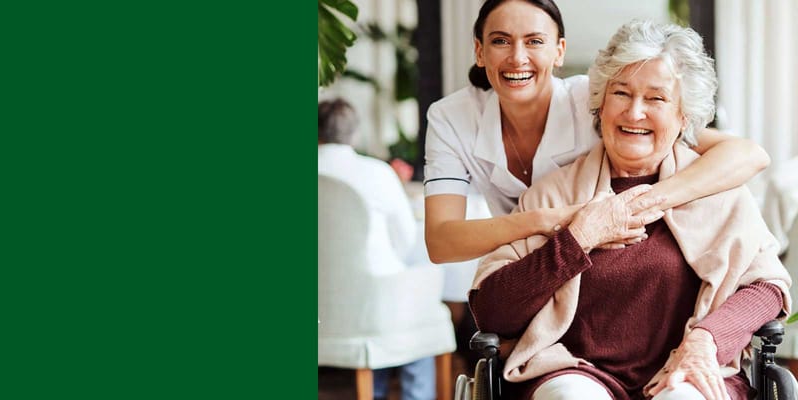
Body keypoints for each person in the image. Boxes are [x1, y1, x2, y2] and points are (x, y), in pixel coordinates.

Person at [468, 20, 792, 400]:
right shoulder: (552, 195)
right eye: (621, 93)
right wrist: (578, 238)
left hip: (688, 369)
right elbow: (492, 312)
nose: (634, 113)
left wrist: (708, 340)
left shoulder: (717, 190)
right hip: (572, 370)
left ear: (684, 116)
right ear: (601, 104)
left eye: (656, 99)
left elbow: (767, 287)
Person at [422, 0, 770, 265]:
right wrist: (552, 219)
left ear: (559, 51)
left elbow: (749, 154)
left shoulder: (595, 99)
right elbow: (440, 243)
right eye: (501, 41)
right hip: (523, 263)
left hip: (602, 258)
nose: (517, 57)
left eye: (535, 41)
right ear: (480, 51)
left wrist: (648, 202)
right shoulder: (451, 118)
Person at [318, 98, 437, 400]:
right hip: (370, 309)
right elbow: (406, 241)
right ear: (354, 134)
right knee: (413, 314)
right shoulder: (377, 172)